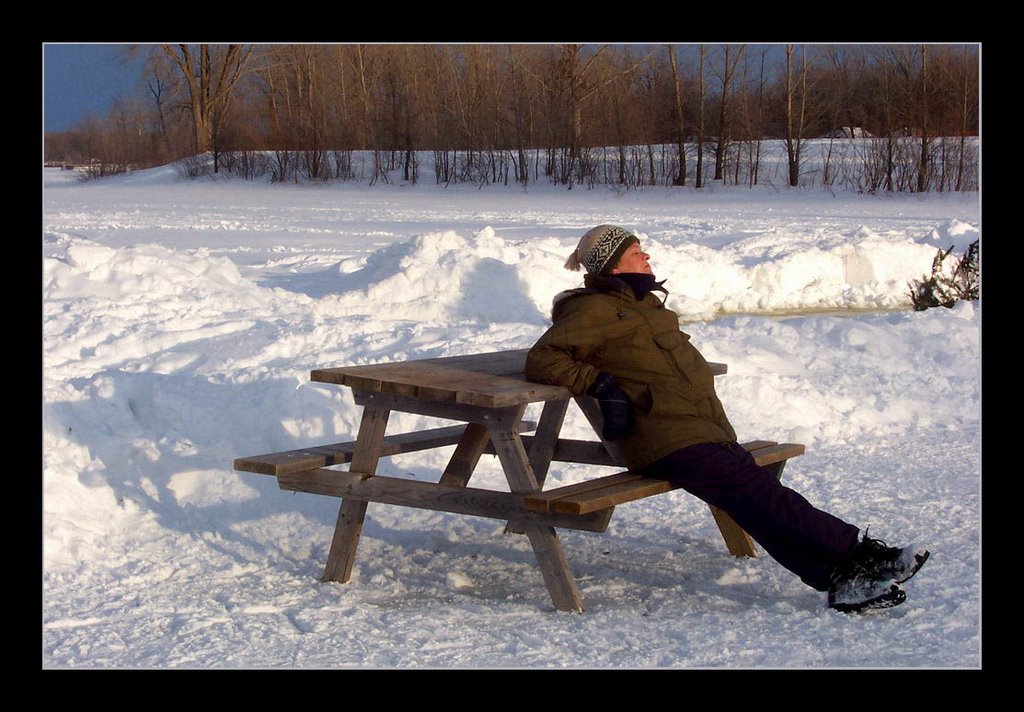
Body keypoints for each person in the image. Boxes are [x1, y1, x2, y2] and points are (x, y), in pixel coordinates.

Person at [525, 224, 929, 613]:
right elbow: (543, 359)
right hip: (660, 436)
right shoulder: (591, 310)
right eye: (635, 252)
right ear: (614, 266)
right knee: (764, 494)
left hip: (699, 428)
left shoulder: (646, 306)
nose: (646, 256)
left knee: (754, 500)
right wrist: (599, 383)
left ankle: (839, 581)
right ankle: (863, 556)